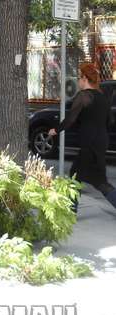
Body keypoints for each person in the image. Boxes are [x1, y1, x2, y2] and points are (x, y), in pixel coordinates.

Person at [48, 63, 116, 211]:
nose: (78, 80)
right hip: (101, 142)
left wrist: (56, 130)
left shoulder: (84, 96)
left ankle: (71, 211)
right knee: (99, 180)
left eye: (79, 77)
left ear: (85, 78)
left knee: (75, 175)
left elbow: (71, 118)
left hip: (89, 142)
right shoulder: (102, 96)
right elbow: (110, 120)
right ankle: (71, 210)